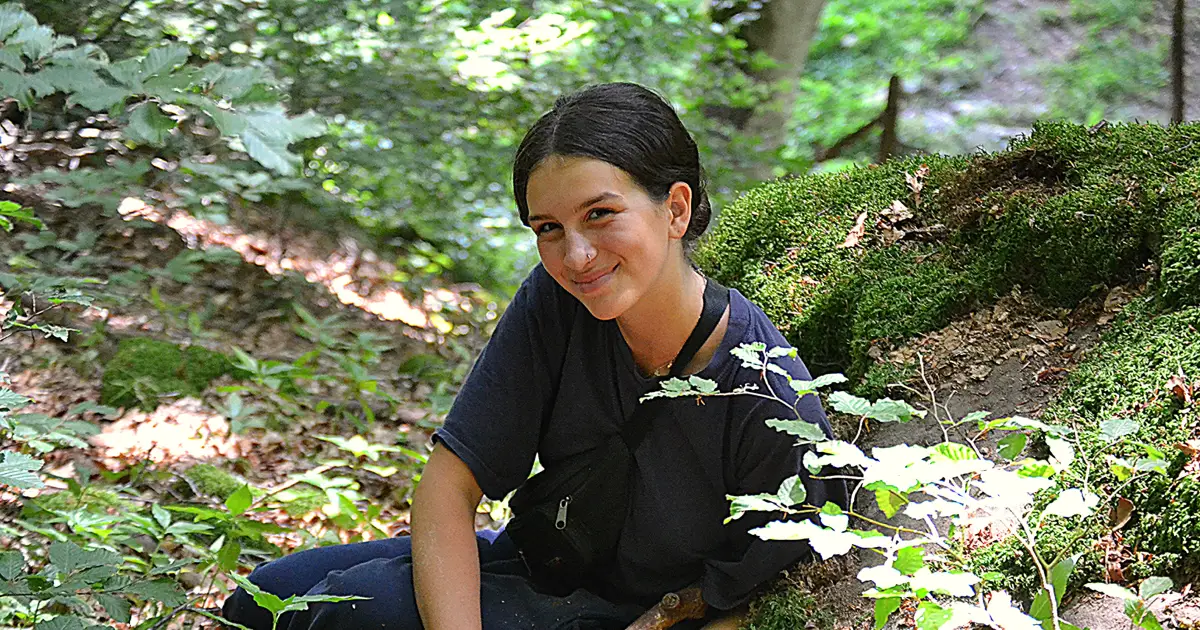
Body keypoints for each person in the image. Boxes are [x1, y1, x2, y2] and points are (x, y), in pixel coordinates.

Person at [222, 82, 847, 630]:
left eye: (600, 215)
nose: (576, 256)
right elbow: (450, 481)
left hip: (626, 612)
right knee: (261, 598)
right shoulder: (556, 302)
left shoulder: (763, 384)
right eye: (548, 228)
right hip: (544, 554)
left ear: (676, 209)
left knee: (362, 610)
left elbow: (774, 587)